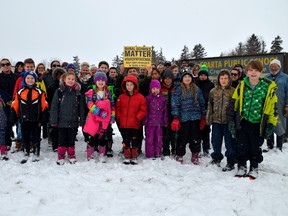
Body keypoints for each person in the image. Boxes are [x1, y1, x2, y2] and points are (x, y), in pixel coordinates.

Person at [229, 60, 278, 179]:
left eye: (256, 70)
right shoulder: (242, 85)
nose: (253, 73)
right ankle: (242, 166)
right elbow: (234, 103)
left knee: (255, 147)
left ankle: (254, 167)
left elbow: (273, 108)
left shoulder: (267, 87)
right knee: (242, 145)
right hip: (243, 122)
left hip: (258, 123)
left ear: (261, 72)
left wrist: (271, 124)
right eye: (251, 70)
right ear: (247, 72)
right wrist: (232, 119)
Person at [10, 71, 48, 163]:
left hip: (36, 120)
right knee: (25, 137)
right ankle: (26, 153)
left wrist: (44, 117)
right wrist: (13, 116)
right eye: (28, 78)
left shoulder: (40, 92)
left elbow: (44, 105)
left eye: (32, 78)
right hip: (24, 119)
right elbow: (15, 105)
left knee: (36, 137)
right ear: (24, 79)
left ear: (35, 80)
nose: (30, 80)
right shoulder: (20, 92)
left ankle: (36, 153)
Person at [171, 70, 206, 165]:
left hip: (195, 117)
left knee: (195, 137)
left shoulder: (196, 89)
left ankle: (195, 154)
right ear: (182, 79)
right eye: (185, 77)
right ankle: (180, 154)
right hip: (183, 118)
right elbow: (175, 104)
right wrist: (175, 117)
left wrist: (203, 115)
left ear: (192, 78)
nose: (187, 78)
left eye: (189, 77)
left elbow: (202, 102)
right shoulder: (178, 89)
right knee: (182, 137)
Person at [50, 72, 85, 165]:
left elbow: (81, 108)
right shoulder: (59, 92)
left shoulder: (78, 93)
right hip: (61, 121)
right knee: (62, 139)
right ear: (64, 80)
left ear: (75, 81)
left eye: (73, 79)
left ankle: (71, 155)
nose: (70, 81)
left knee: (71, 139)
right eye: (68, 79)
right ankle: (61, 156)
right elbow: (54, 107)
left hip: (73, 122)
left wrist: (82, 120)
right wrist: (53, 120)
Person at [206, 70, 236, 171]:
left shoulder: (233, 91)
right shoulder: (213, 91)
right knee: (215, 141)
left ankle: (230, 162)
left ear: (229, 79)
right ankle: (216, 158)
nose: (223, 80)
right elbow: (210, 106)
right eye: (221, 78)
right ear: (218, 79)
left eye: (226, 78)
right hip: (216, 121)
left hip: (228, 122)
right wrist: (209, 119)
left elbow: (236, 107)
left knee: (229, 143)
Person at [83, 71, 115, 163]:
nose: (100, 82)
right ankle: (90, 155)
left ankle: (102, 154)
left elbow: (112, 105)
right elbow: (89, 104)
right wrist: (99, 112)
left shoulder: (108, 93)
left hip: (104, 121)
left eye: (102, 80)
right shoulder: (91, 92)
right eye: (98, 80)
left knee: (102, 138)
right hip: (94, 119)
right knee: (92, 137)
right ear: (95, 81)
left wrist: (112, 117)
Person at [116, 75, 147, 165]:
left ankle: (133, 156)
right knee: (126, 140)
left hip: (134, 124)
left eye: (131, 85)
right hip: (124, 124)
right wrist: (119, 117)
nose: (129, 87)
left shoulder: (140, 97)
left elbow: (143, 109)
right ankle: (127, 155)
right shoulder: (121, 97)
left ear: (135, 86)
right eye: (127, 85)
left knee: (134, 140)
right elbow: (118, 108)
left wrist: (137, 117)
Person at [265, 59, 288, 152]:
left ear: (279, 67)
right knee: (268, 123)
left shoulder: (285, 77)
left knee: (280, 124)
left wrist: (287, 105)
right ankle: (270, 146)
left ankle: (279, 146)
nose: (274, 68)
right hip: (269, 105)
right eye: (272, 66)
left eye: (275, 66)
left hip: (281, 104)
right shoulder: (267, 78)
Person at [144, 80, 168, 159]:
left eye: (157, 88)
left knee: (158, 139)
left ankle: (157, 153)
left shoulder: (162, 99)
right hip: (150, 123)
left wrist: (165, 121)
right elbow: (146, 110)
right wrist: (145, 120)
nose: (155, 90)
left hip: (159, 123)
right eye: (153, 88)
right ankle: (150, 154)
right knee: (150, 139)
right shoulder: (148, 98)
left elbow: (165, 111)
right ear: (150, 89)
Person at [0, 58, 20, 150]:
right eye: (3, 65)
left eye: (7, 64)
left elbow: (20, 87)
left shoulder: (16, 76)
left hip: (16, 102)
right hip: (4, 103)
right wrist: (7, 98)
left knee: (18, 122)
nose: (5, 66)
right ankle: (7, 143)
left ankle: (19, 141)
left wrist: (15, 98)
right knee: (7, 123)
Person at [195, 65, 215, 157]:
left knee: (206, 131)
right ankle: (197, 149)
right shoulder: (195, 84)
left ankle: (206, 149)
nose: (202, 77)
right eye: (201, 75)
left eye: (204, 75)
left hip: (207, 110)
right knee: (197, 131)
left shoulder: (210, 84)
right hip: (196, 111)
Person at [161, 70, 176, 157]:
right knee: (166, 133)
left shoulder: (176, 87)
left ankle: (174, 149)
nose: (167, 80)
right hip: (164, 112)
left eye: (169, 78)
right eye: (166, 79)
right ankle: (166, 151)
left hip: (174, 112)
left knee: (174, 133)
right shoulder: (161, 88)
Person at [0, 95, 8, 160]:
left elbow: (3, 117)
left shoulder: (1, 103)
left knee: (2, 139)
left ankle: (3, 152)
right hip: (2, 124)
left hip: (1, 125)